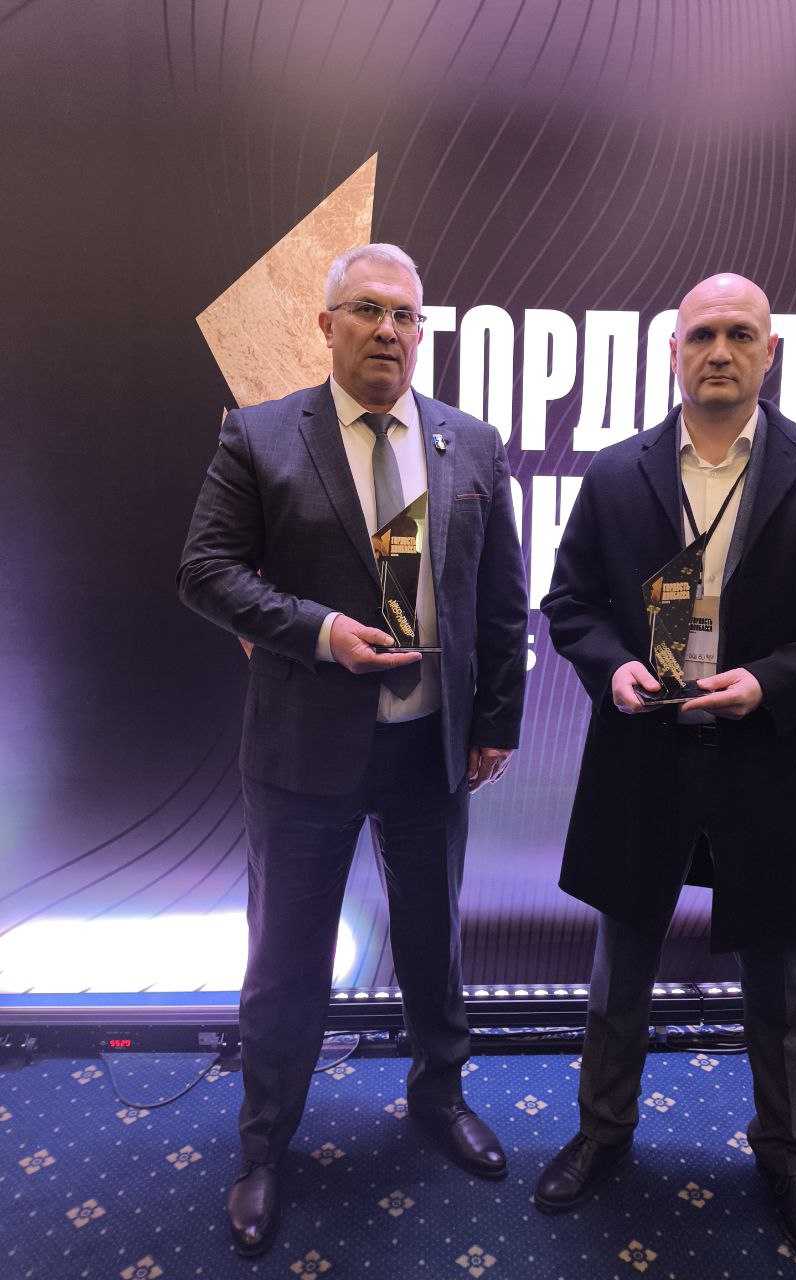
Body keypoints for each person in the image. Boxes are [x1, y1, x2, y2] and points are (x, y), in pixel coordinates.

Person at [536, 273, 796, 1266]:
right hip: (642, 753)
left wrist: (770, 681)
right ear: (672, 351)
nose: (719, 350)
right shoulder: (614, 472)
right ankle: (601, 1131)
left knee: (777, 982)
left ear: (769, 352)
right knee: (619, 966)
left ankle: (786, 1159)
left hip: (768, 756)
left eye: (740, 333)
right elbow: (569, 603)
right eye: (701, 333)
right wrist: (611, 667)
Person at [178, 243, 528, 1257]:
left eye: (405, 315)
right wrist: (321, 631)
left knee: (431, 939)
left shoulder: (470, 443)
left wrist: (495, 720)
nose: (388, 330)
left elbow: (500, 599)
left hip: (430, 747)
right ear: (325, 324)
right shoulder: (258, 436)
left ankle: (439, 1096)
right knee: (287, 957)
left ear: (421, 331)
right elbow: (206, 571)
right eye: (367, 310)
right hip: (303, 752)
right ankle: (263, 1143)